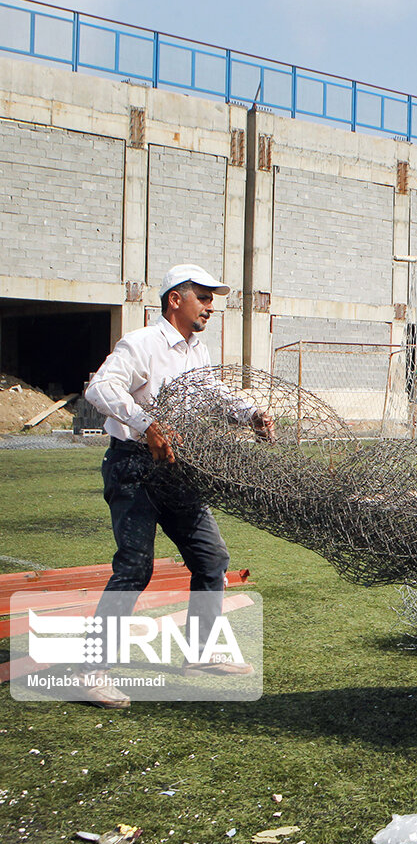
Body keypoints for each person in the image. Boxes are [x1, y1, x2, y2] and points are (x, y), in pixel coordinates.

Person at [72, 264, 274, 709]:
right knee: (134, 567)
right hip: (133, 468)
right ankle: (90, 671)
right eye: (203, 297)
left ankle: (200, 655)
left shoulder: (196, 351)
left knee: (211, 558)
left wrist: (251, 413)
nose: (210, 306)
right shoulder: (141, 343)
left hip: (176, 471)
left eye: (211, 299)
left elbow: (214, 394)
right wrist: (148, 426)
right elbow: (101, 389)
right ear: (174, 300)